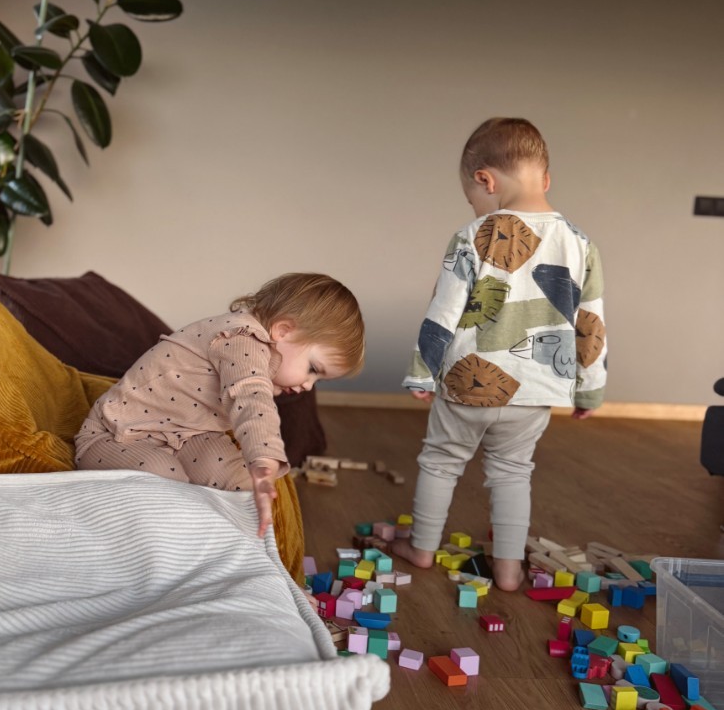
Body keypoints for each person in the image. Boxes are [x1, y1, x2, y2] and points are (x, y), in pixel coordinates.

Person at [396, 117, 607, 591]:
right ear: (545, 179)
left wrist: (422, 372)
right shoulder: (581, 243)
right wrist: (589, 390)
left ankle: (422, 548)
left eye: (472, 196)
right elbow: (590, 322)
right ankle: (509, 571)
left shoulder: (474, 234)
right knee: (513, 472)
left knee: (441, 461)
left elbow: (443, 310)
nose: (474, 206)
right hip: (536, 390)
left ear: (485, 180)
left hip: (468, 382)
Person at [75, 273, 364, 537]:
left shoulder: (260, 347)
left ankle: (248, 556)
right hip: (118, 435)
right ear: (283, 331)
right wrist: (264, 459)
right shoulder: (240, 339)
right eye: (313, 369)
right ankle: (183, 552)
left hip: (187, 436)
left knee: (240, 481)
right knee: (165, 478)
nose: (308, 385)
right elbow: (252, 400)